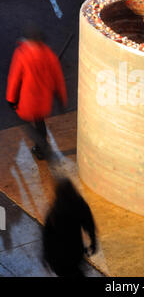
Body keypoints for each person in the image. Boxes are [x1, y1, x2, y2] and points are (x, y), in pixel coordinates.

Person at [6, 23, 67, 160]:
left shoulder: (22, 54)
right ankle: (40, 148)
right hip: (44, 100)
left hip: (27, 100)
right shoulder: (49, 55)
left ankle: (42, 146)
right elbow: (58, 80)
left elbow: (14, 79)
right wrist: (61, 99)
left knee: (25, 124)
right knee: (40, 123)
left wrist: (11, 99)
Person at [42, 178, 97, 277]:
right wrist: (93, 241)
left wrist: (46, 255)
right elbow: (89, 224)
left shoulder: (54, 211)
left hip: (58, 258)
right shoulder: (78, 204)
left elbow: (47, 236)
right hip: (74, 252)